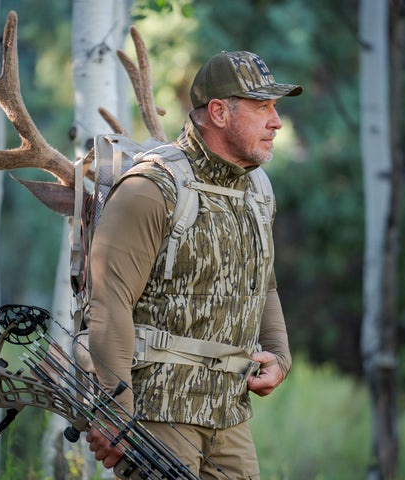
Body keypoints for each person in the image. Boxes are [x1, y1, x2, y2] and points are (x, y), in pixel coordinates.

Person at [85, 50, 302, 479]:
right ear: (219, 112)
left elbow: (266, 284)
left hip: (229, 414)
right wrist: (116, 412)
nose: (276, 122)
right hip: (156, 413)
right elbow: (109, 305)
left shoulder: (257, 189)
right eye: (263, 108)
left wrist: (279, 354)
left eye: (275, 108)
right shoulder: (151, 189)